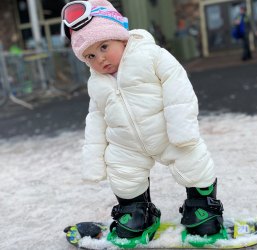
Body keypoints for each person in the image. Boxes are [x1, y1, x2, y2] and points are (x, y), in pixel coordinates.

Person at [61, 0, 224, 245]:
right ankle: (137, 211)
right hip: (127, 145)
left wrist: (181, 128)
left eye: (104, 46)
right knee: (122, 172)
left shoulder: (150, 55)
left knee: (193, 162)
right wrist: (93, 160)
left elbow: (177, 86)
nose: (100, 59)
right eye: (91, 56)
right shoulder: (96, 82)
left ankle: (202, 207)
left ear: (121, 38)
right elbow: (95, 120)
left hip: (167, 132)